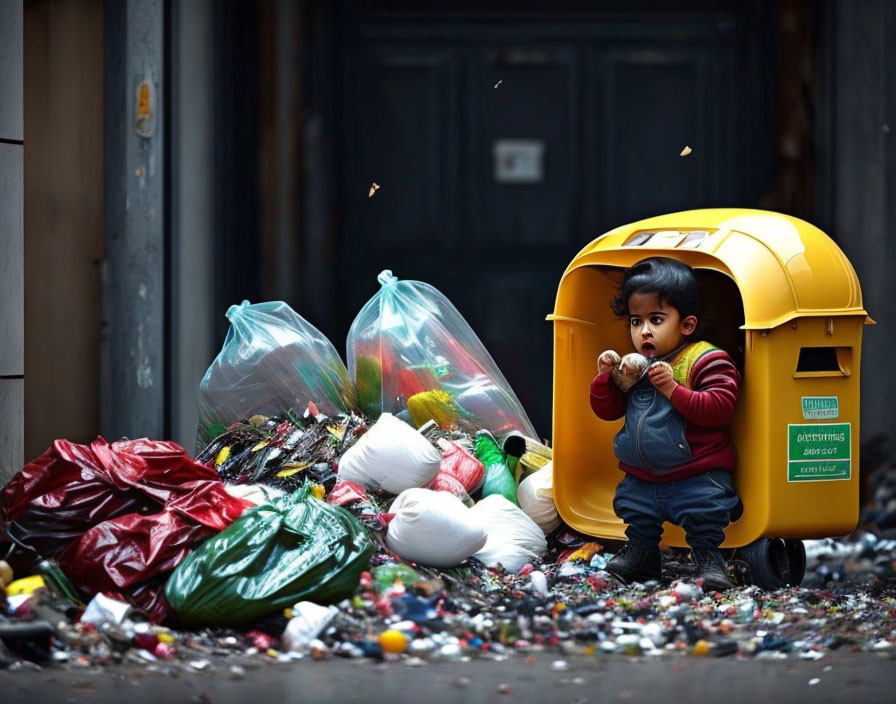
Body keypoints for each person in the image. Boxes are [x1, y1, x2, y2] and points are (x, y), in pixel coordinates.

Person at [590, 256, 741, 591]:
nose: (644, 331)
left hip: (696, 472)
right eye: (635, 321)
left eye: (656, 319)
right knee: (634, 508)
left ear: (686, 325)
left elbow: (720, 408)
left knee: (704, 513)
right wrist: (604, 379)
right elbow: (608, 410)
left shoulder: (706, 359)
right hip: (643, 475)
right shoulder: (636, 366)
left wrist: (673, 388)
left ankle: (709, 559)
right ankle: (643, 554)